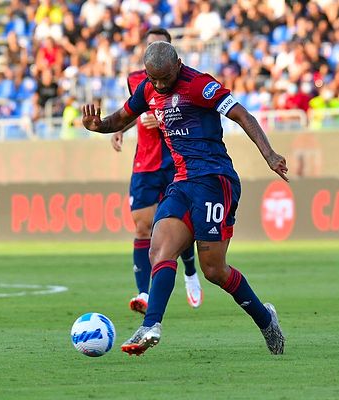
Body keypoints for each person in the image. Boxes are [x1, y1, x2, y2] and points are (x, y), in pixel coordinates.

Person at [82, 41, 288, 356]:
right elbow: (121, 118)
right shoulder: (148, 88)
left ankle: (265, 319)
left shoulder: (200, 85)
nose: (161, 85)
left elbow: (242, 115)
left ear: (178, 63)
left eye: (165, 78)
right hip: (181, 182)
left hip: (214, 181)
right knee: (160, 248)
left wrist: (270, 154)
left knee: (214, 271)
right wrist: (99, 127)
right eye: (155, 79)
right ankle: (151, 325)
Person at [110, 28, 204, 313]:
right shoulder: (135, 79)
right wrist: (121, 129)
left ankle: (189, 272)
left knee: (179, 224)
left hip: (175, 160)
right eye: (150, 47)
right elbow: (136, 109)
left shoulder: (183, 80)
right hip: (146, 161)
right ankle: (144, 293)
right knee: (142, 226)